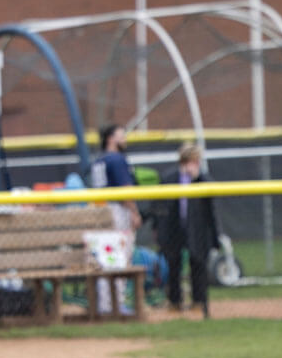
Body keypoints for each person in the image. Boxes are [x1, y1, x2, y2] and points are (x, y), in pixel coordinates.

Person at [155, 143, 219, 319]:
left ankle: (199, 304)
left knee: (198, 265)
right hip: (174, 228)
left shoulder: (203, 180)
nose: (194, 165)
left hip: (196, 230)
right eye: (192, 161)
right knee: (173, 265)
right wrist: (158, 230)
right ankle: (175, 302)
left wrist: (214, 236)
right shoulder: (169, 178)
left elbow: (210, 210)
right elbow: (159, 207)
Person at [88, 124, 142, 314]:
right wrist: (135, 212)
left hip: (99, 211)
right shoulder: (117, 159)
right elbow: (126, 191)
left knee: (105, 258)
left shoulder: (98, 160)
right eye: (121, 135)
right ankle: (117, 303)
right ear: (111, 139)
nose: (124, 139)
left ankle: (104, 304)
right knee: (120, 256)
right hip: (117, 211)